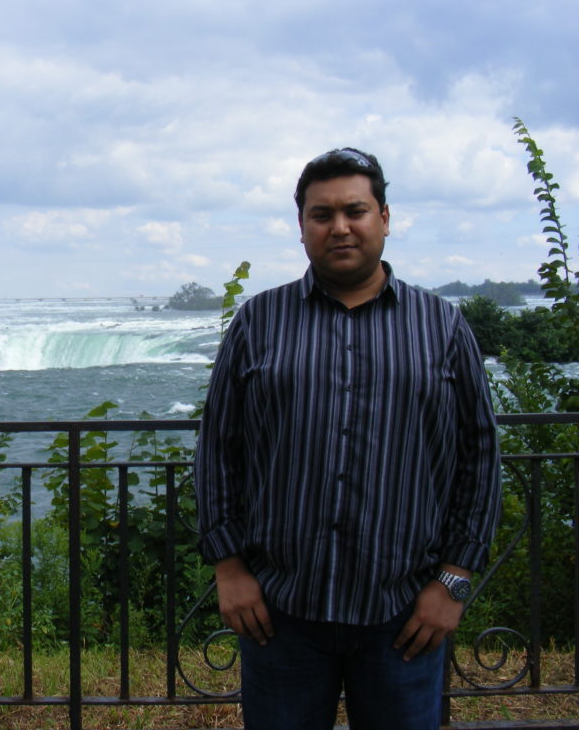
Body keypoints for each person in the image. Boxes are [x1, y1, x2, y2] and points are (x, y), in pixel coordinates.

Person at [194, 147, 501, 729]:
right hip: (280, 612)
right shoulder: (259, 322)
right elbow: (217, 449)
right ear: (302, 227)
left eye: (355, 210)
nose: (339, 227)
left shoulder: (442, 325)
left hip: (405, 614)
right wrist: (228, 568)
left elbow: (480, 456)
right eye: (321, 214)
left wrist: (454, 582)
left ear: (384, 217)